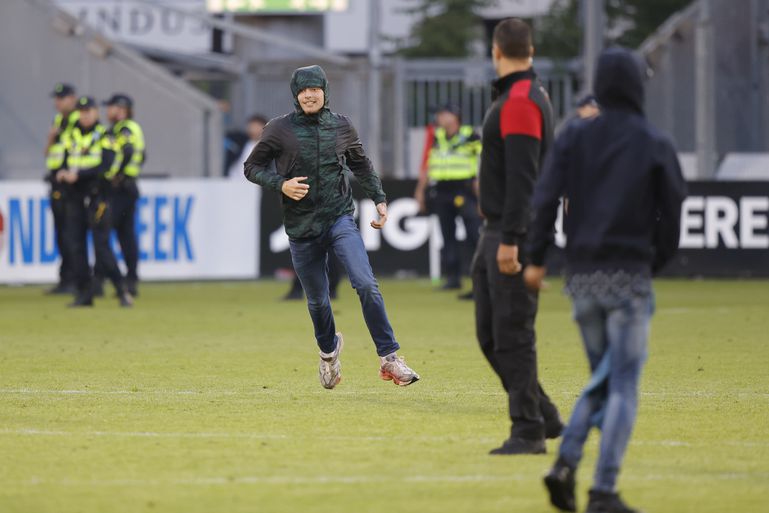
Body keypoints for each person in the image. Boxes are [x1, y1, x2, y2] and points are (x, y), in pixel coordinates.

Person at [525, 48, 686, 513]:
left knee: (603, 380)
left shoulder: (575, 135)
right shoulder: (653, 140)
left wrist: (536, 258)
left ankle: (564, 466)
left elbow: (545, 197)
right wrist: (653, 262)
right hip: (630, 275)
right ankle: (602, 490)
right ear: (638, 84)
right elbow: (673, 212)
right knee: (621, 386)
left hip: (581, 278)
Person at [244, 65, 420, 389]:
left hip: (339, 218)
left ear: (325, 91)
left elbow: (361, 164)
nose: (309, 95)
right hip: (300, 228)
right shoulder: (278, 129)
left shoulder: (342, 126)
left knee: (366, 283)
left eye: (315, 89)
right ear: (296, 95)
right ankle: (328, 354)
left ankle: (390, 358)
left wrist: (380, 199)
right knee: (317, 301)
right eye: (303, 90)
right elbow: (251, 167)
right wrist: (280, 184)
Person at [472, 18, 562, 455]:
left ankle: (528, 430)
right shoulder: (521, 95)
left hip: (509, 234)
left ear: (495, 51)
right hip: (497, 230)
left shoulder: (522, 99)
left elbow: (524, 178)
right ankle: (542, 414)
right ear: (530, 49)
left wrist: (511, 238)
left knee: (511, 335)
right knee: (492, 336)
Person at [56, 96, 133, 308]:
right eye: (81, 111)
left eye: (88, 110)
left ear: (96, 112)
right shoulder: (71, 135)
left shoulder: (105, 136)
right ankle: (84, 293)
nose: (85, 115)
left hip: (98, 195)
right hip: (74, 196)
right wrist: (62, 173)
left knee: (101, 245)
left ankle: (121, 289)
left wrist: (78, 175)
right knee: (75, 245)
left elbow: (105, 166)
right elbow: (64, 160)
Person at [414, 103, 482, 297]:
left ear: (455, 116)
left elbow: (486, 163)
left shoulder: (471, 135)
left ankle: (479, 281)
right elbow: (427, 166)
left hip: (465, 190)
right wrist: (420, 191)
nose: (439, 118)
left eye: (443, 114)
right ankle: (453, 278)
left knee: (473, 236)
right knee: (447, 236)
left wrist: (482, 194)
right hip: (442, 191)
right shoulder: (437, 137)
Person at [102, 93, 145, 297]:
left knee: (104, 233)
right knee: (125, 236)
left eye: (111, 107)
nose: (108, 111)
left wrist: (118, 175)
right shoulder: (133, 128)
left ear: (120, 109)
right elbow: (142, 155)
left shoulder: (124, 128)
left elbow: (128, 152)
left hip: (121, 188)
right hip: (129, 187)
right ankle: (131, 280)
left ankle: (103, 281)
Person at [44, 83, 79, 295]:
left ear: (72, 98)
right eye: (57, 97)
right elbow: (48, 152)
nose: (58, 101)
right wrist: (50, 137)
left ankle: (76, 279)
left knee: (71, 234)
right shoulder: (58, 121)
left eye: (62, 97)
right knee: (61, 234)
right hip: (56, 183)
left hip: (72, 186)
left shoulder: (79, 121)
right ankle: (65, 278)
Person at [228, 114, 267, 180]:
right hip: (235, 182)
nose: (253, 130)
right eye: (251, 127)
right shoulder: (241, 143)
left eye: (256, 127)